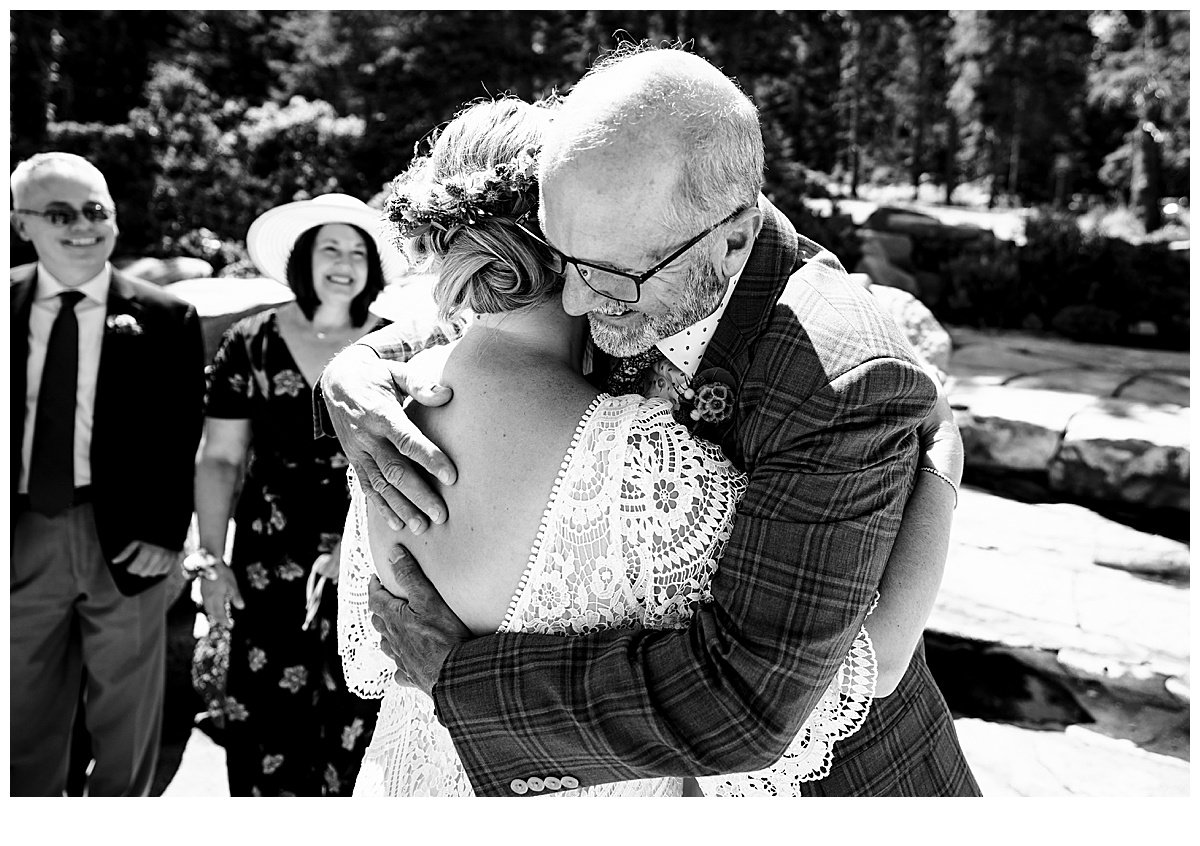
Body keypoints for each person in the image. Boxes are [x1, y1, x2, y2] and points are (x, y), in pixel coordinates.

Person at [323, 46, 980, 796]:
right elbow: (497, 303)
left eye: (605, 274)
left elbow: (747, 706)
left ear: (732, 239)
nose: (573, 298)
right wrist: (354, 369)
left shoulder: (836, 376)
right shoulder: (630, 251)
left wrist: (456, 677)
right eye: (559, 256)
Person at [10, 152, 205, 796]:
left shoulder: (167, 318)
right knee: (23, 723)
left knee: (127, 725)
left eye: (96, 211)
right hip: (21, 536)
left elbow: (182, 439)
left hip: (127, 544)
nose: (82, 227)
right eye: (60, 213)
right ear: (21, 223)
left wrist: (166, 536)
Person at [193, 194, 401, 796]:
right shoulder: (249, 342)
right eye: (329, 248)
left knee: (357, 728)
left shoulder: (398, 346)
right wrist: (210, 558)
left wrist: (362, 544)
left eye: (358, 251)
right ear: (302, 259)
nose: (344, 262)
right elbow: (221, 458)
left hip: (373, 558)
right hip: (266, 560)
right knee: (264, 723)